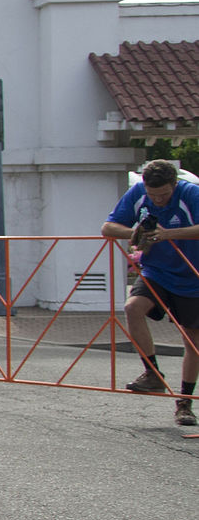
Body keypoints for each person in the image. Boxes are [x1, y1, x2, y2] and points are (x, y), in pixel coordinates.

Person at [102, 159, 199, 426]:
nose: (157, 200)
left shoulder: (191, 194)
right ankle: (153, 374)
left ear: (175, 185)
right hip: (156, 271)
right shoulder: (139, 194)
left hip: (192, 275)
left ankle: (184, 403)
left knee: (192, 341)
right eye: (153, 195)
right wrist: (133, 232)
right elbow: (108, 228)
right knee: (133, 307)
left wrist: (170, 234)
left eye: (164, 195)